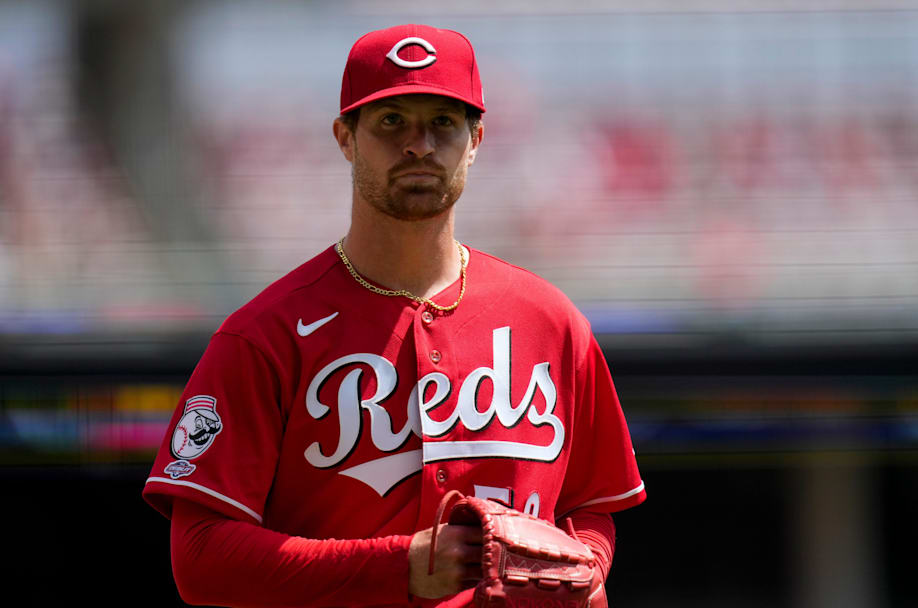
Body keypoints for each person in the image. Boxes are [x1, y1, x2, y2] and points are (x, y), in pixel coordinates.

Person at [143, 23, 645, 607]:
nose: (419, 145)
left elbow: (593, 504)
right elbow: (200, 558)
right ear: (345, 137)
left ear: (475, 139)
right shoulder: (265, 335)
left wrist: (587, 566)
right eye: (391, 121)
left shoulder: (551, 323)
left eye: (443, 123)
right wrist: (394, 567)